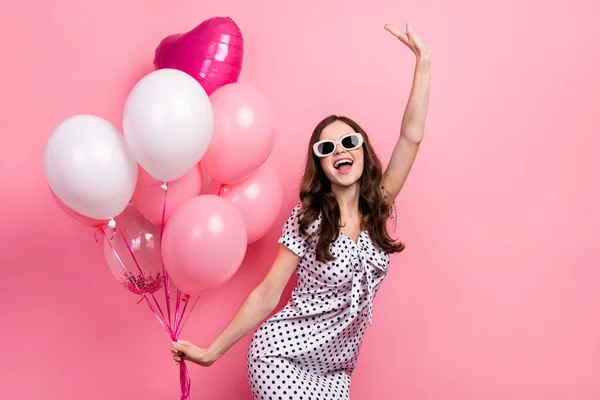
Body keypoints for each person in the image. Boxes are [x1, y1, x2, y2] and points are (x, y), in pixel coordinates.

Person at [170, 22, 431, 399]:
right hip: (283, 359)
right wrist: (212, 352)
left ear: (362, 151)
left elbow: (411, 136)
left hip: (336, 371)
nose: (340, 151)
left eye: (348, 142)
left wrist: (423, 63)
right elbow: (267, 294)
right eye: (327, 149)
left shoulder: (379, 206)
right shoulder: (308, 219)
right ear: (321, 167)